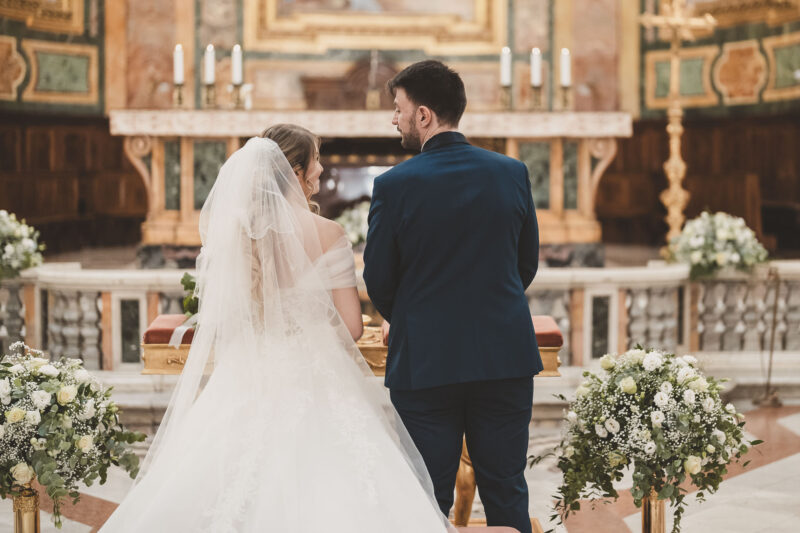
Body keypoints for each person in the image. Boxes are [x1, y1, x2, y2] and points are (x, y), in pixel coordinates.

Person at [100, 125, 453, 532]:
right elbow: (352, 327)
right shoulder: (330, 234)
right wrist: (315, 334)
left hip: (248, 374)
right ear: (297, 171)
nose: (322, 169)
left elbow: (234, 317)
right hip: (316, 377)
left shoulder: (237, 233)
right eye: (317, 159)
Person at [363, 60, 542, 533]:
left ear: (423, 116)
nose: (394, 120)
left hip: (425, 362)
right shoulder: (511, 172)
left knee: (424, 495)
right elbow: (525, 265)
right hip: (503, 356)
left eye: (398, 109)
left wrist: (411, 314)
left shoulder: (393, 185)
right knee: (506, 490)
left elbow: (378, 278)